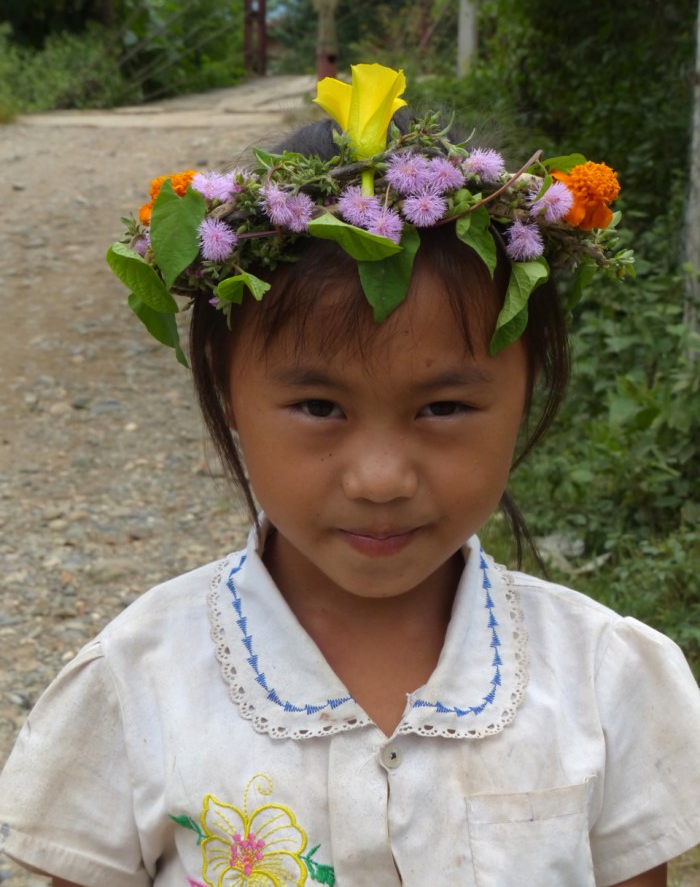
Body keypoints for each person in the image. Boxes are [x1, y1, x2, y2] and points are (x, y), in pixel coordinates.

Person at [0, 63, 698, 887]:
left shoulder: (606, 679)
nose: (378, 478)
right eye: (320, 408)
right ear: (229, 390)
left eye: (441, 408)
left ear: (526, 390)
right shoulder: (136, 685)